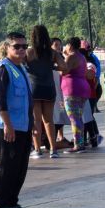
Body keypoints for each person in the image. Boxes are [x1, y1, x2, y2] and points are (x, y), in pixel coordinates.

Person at [0, 32, 34, 208]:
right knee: (8, 166)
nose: (21, 49)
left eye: (24, 46)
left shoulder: (21, 68)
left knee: (20, 166)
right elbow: (0, 100)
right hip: (9, 126)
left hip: (24, 125)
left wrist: (33, 124)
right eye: (17, 46)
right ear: (7, 47)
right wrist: (7, 125)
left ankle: (12, 202)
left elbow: (27, 100)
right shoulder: (3, 69)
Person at [26, 25, 64, 159]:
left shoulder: (29, 52)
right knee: (49, 120)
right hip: (49, 88)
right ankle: (53, 150)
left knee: (36, 120)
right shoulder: (52, 53)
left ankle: (37, 150)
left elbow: (19, 65)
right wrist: (52, 66)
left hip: (34, 89)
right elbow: (64, 67)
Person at [59, 37, 91, 153]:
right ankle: (80, 142)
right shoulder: (82, 57)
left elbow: (63, 71)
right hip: (82, 88)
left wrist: (59, 62)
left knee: (74, 118)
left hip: (72, 89)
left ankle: (78, 145)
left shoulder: (71, 57)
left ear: (70, 46)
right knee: (78, 118)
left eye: (66, 45)